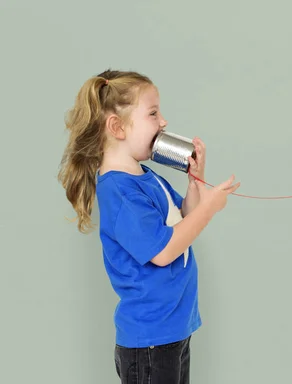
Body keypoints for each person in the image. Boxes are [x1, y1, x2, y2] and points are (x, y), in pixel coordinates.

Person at [58, 69, 240, 384]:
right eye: (153, 114)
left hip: (173, 328)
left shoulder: (145, 176)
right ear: (117, 127)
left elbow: (182, 221)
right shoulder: (120, 192)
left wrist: (196, 182)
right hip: (150, 340)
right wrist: (209, 209)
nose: (164, 122)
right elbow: (164, 251)